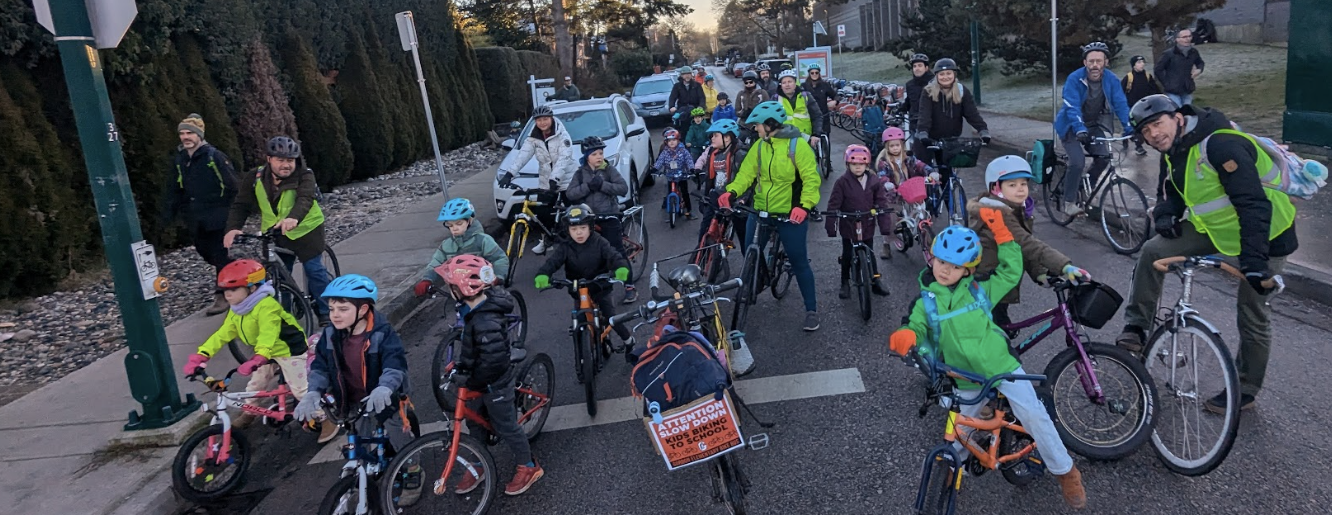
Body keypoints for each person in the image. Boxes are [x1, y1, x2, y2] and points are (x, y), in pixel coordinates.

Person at [888, 212, 1087, 510]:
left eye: (955, 266)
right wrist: (906, 335)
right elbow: (916, 325)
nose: (945, 270)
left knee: (1034, 416)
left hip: (1001, 367)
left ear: (968, 270)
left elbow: (1010, 270)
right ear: (932, 259)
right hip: (962, 375)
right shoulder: (926, 300)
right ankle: (952, 471)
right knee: (958, 432)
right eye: (941, 261)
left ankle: (1066, 472)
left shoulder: (980, 290)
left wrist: (1003, 234)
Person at [1117, 94, 1297, 413]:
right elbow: (1174, 192)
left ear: (1178, 116)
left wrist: (1254, 263)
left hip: (1267, 234)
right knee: (1153, 251)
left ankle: (1246, 388)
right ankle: (1137, 327)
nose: (1154, 135)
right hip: (1216, 229)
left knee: (1251, 310)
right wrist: (1166, 214)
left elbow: (1254, 205)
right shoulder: (1175, 149)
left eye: (1157, 124)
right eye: (1145, 132)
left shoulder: (1220, 144)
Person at [295, 274, 421, 503]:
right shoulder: (331, 335)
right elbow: (321, 366)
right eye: (332, 308)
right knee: (358, 437)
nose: (335, 314)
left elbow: (395, 364)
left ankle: (412, 468)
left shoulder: (382, 333)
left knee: (397, 432)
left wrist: (385, 387)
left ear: (363, 309)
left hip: (386, 396)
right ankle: (362, 470)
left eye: (342, 309)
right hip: (352, 399)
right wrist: (313, 392)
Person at [180, 259, 329, 437]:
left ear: (252, 288)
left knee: (300, 390)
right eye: (225, 290)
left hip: (288, 350)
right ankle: (249, 412)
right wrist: (202, 355)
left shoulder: (267, 307)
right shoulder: (237, 310)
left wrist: (259, 357)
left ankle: (324, 417)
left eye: (234, 290)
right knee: (255, 386)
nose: (228, 295)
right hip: (265, 353)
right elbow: (222, 335)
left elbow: (269, 333)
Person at [436, 255, 544, 496]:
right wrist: (463, 366)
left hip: (494, 381)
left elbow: (493, 361)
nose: (449, 291)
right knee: (473, 419)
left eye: (451, 286)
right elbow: (474, 349)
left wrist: (470, 377)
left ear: (463, 289)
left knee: (506, 425)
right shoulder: (471, 311)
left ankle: (529, 465)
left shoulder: (486, 320)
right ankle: (478, 461)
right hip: (478, 376)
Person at [717, 101, 823, 332]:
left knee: (799, 261)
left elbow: (812, 181)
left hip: (790, 214)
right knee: (750, 253)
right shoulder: (759, 146)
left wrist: (804, 207)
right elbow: (746, 174)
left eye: (758, 125)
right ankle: (757, 280)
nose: (755, 129)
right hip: (761, 210)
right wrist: (731, 191)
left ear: (770, 124)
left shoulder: (798, 147)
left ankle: (811, 309)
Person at [968, 156, 1090, 334]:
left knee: (1001, 331)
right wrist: (1065, 267)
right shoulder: (997, 213)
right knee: (994, 343)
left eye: (1023, 184)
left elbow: (1019, 247)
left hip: (999, 281)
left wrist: (1040, 273)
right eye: (1012, 185)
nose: (1020, 190)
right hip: (988, 284)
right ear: (995, 188)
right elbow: (1028, 244)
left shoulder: (1015, 208)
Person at [223, 136, 332, 324]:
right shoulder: (255, 177)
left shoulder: (304, 174)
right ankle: (285, 318)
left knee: (314, 269)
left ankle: (326, 310)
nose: (286, 165)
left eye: (290, 160)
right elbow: (241, 205)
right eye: (280, 160)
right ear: (269, 159)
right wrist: (233, 228)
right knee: (278, 277)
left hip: (307, 229)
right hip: (274, 233)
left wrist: (293, 218)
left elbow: (305, 198)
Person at [533, 204, 636, 357]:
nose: (579, 233)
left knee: (611, 317)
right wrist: (543, 274)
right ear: (568, 230)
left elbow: (613, 255)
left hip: (600, 287)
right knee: (579, 320)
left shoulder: (599, 242)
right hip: (578, 289)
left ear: (590, 227)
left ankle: (629, 341)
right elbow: (552, 262)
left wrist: (620, 268)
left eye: (582, 228)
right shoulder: (565, 246)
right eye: (574, 229)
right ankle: (582, 355)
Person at [162, 113, 239, 316]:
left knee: (219, 254)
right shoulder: (181, 160)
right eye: (182, 133)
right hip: (197, 219)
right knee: (206, 253)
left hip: (218, 217)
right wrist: (169, 215)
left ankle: (222, 296)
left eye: (190, 133)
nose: (185, 137)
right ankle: (240, 272)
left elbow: (232, 185)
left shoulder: (214, 157)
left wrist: (230, 212)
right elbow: (175, 189)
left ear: (199, 135)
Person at [1053, 42, 1134, 216]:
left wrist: (1129, 126)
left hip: (1094, 125)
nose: (1095, 65)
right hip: (1071, 126)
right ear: (1085, 63)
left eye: (1099, 61)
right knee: (1077, 161)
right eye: (1091, 61)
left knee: (1104, 158)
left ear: (1106, 62)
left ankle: (1082, 187)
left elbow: (1120, 103)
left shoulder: (1111, 79)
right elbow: (1071, 105)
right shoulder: (1075, 79)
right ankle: (1069, 202)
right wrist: (1079, 128)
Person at [565, 136, 638, 303]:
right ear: (587, 156)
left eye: (601, 153)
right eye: (594, 154)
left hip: (609, 215)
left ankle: (629, 286)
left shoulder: (609, 170)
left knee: (617, 251)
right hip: (589, 219)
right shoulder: (580, 173)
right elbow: (570, 194)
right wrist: (588, 187)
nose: (599, 157)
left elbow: (623, 188)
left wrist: (603, 185)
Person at [498, 105, 577, 255]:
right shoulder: (533, 137)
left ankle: (576, 241)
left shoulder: (562, 135)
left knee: (572, 213)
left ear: (551, 118)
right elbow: (523, 155)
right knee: (542, 213)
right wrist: (510, 173)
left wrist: (555, 179)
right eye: (539, 120)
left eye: (545, 119)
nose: (542, 123)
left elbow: (564, 159)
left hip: (566, 179)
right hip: (546, 180)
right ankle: (546, 239)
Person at [824, 145, 891, 299]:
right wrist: (831, 226)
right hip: (849, 224)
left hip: (867, 222)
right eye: (854, 164)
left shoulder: (874, 181)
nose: (858, 167)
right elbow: (833, 204)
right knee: (847, 253)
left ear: (867, 165)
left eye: (861, 164)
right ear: (848, 165)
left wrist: (884, 225)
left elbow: (881, 202)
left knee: (870, 251)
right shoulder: (842, 182)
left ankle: (875, 279)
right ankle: (845, 282)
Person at [413, 197, 509, 298]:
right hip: (458, 291)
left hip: (484, 287)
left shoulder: (483, 240)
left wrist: (497, 277)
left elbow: (499, 258)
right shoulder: (446, 245)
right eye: (450, 225)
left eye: (459, 223)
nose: (454, 228)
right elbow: (435, 263)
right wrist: (427, 279)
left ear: (469, 221)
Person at [914, 58, 989, 159]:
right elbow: (924, 115)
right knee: (925, 169)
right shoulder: (928, 91)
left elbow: (972, 114)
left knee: (947, 170)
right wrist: (923, 132)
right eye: (941, 74)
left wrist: (983, 130)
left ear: (954, 74)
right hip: (929, 137)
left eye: (948, 73)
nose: (945, 77)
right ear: (936, 76)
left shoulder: (962, 91)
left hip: (950, 139)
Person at [876, 127, 930, 259]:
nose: (895, 148)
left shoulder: (908, 157)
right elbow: (882, 176)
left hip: (910, 190)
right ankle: (886, 244)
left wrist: (930, 171)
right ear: (887, 147)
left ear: (902, 145)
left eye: (898, 145)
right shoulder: (884, 162)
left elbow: (920, 165)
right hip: (893, 195)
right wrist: (886, 183)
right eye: (892, 146)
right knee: (890, 220)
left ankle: (927, 240)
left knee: (922, 212)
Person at [692, 119, 747, 243]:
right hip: (717, 195)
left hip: (735, 199)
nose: (712, 138)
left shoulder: (740, 154)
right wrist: (704, 196)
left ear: (727, 137)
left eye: (716, 135)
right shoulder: (714, 152)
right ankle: (700, 256)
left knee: (744, 239)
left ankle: (749, 260)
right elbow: (711, 178)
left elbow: (747, 180)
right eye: (712, 135)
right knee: (705, 230)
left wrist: (742, 200)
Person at [1121, 55, 1164, 156]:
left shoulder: (1147, 76)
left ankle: (1126, 136)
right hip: (1132, 107)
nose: (1142, 64)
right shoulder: (1129, 77)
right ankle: (1138, 146)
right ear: (1134, 65)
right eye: (1139, 62)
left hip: (1144, 107)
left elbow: (1155, 89)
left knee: (1142, 126)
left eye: (1142, 62)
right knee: (1136, 127)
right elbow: (1120, 92)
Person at [772, 69, 825, 151]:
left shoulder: (805, 96)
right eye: (784, 82)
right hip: (783, 139)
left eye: (790, 81)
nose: (787, 85)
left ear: (795, 83)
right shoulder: (775, 99)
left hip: (805, 139)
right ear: (780, 85)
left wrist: (816, 134)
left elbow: (817, 116)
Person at [1154, 28, 1205, 107]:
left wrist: (1199, 70)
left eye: (1189, 36)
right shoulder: (1169, 54)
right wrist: (1167, 84)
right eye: (1184, 37)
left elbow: (1200, 62)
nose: (1187, 39)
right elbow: (1158, 69)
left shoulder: (1193, 52)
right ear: (1177, 39)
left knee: (1188, 113)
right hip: (1173, 90)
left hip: (1187, 88)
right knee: (1178, 112)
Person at [654, 128, 696, 218]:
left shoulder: (683, 150)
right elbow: (660, 161)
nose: (671, 142)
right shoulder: (665, 152)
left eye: (674, 140)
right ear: (666, 142)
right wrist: (655, 168)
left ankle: (689, 210)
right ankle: (670, 208)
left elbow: (689, 160)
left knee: (685, 193)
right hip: (670, 175)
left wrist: (691, 168)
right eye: (669, 141)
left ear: (678, 140)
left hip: (682, 175)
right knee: (669, 192)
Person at [902, 53, 934, 145]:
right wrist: (901, 109)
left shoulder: (934, 83)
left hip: (931, 124)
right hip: (914, 123)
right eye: (914, 66)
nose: (917, 68)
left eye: (920, 65)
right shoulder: (910, 85)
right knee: (917, 151)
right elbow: (909, 101)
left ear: (926, 68)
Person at [802, 63, 838, 139]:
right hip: (809, 117)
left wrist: (835, 101)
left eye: (816, 72)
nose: (814, 74)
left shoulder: (825, 85)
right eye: (812, 73)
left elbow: (835, 95)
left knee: (825, 141)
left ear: (819, 73)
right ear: (809, 74)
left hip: (823, 117)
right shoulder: (804, 86)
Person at [668, 66, 705, 134]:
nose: (687, 76)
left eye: (689, 74)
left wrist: (701, 106)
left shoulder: (697, 85)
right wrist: (671, 106)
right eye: (685, 74)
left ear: (691, 75)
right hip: (683, 110)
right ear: (681, 75)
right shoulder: (677, 86)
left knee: (698, 129)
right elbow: (672, 97)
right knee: (682, 129)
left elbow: (702, 97)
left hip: (695, 110)